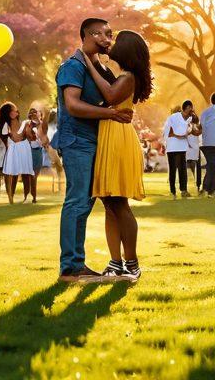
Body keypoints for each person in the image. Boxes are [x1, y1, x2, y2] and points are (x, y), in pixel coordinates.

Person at [52, 17, 134, 283]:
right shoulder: (73, 66)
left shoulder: (98, 67)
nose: (109, 40)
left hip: (92, 140)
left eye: (110, 35)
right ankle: (71, 267)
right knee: (77, 201)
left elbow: (113, 92)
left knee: (84, 203)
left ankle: (77, 264)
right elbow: (73, 105)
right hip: (76, 140)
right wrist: (109, 114)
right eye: (105, 35)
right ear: (90, 35)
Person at [78, 29, 153, 280]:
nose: (110, 42)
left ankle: (132, 263)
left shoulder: (129, 77)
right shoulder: (121, 75)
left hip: (118, 138)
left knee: (120, 203)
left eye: (116, 41)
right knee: (109, 203)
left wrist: (89, 63)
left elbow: (109, 95)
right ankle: (115, 262)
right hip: (110, 135)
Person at [0, 102, 34, 203]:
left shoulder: (24, 123)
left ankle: (26, 196)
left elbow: (30, 137)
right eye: (13, 110)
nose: (16, 112)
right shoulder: (5, 125)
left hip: (24, 147)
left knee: (26, 172)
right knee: (10, 172)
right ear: (8, 113)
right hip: (12, 149)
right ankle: (10, 197)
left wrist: (30, 131)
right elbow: (1, 134)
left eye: (16, 110)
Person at [163, 102, 192, 198]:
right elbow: (170, 132)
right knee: (180, 170)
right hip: (175, 147)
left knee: (175, 170)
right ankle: (180, 191)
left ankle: (174, 192)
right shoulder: (176, 118)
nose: (191, 110)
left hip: (176, 147)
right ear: (186, 108)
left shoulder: (186, 119)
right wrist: (178, 135)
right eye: (190, 108)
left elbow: (167, 132)